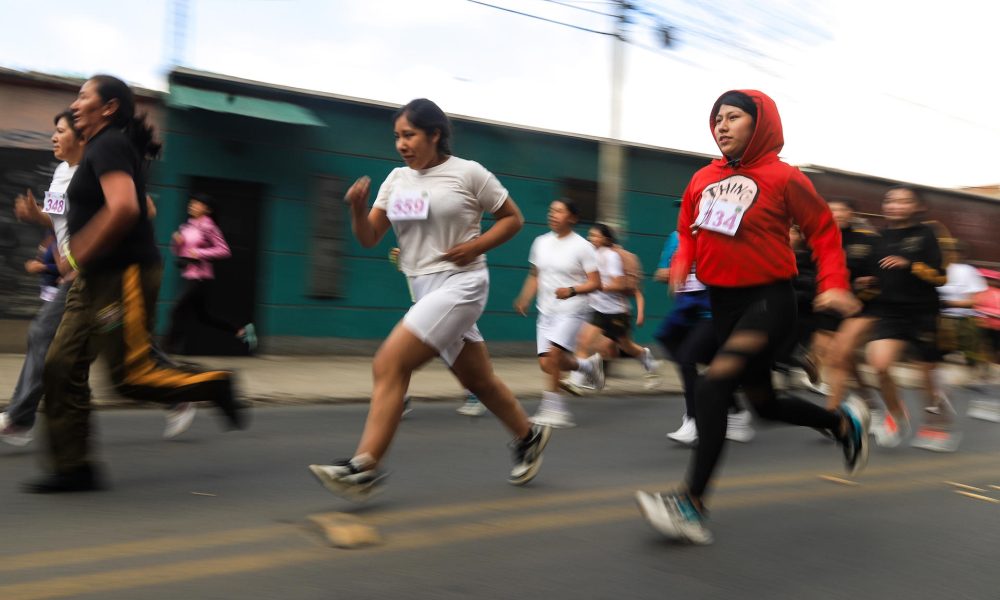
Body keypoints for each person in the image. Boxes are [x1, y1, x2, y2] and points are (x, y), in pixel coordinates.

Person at [635, 90, 869, 545]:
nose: (721, 126)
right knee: (764, 404)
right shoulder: (702, 177)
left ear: (759, 123)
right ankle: (843, 423)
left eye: (733, 117)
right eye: (716, 118)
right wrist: (684, 256)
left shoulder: (784, 177)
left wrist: (835, 282)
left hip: (769, 300)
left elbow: (822, 230)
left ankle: (691, 505)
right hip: (724, 304)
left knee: (713, 385)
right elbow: (688, 226)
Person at [308, 99, 550, 500]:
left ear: (435, 134)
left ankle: (364, 464)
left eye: (410, 135)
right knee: (477, 380)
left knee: (390, 362)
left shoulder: (468, 173)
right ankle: (529, 435)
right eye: (397, 137)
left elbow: (513, 218)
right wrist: (356, 208)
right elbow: (369, 238)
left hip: (462, 284)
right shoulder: (396, 179)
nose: (401, 144)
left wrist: (476, 247)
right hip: (422, 288)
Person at [24, 75, 246, 493]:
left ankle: (213, 384)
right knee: (60, 366)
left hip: (122, 275)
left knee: (130, 376)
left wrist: (80, 251)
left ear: (108, 108)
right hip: (93, 278)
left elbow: (126, 206)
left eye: (83, 96)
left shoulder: (109, 144)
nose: (75, 104)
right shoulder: (98, 149)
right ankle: (74, 468)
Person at [1, 110, 192, 446]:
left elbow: (144, 208)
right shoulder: (61, 172)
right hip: (78, 273)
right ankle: (176, 393)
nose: (54, 137)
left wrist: (93, 251)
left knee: (51, 334)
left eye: (60, 131)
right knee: (95, 340)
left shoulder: (99, 168)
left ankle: (19, 419)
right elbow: (62, 221)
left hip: (103, 270)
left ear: (81, 137)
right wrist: (38, 218)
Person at [862, 188, 956, 451]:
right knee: (879, 365)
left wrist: (909, 264)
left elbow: (941, 276)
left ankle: (938, 425)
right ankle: (896, 414)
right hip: (889, 312)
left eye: (904, 201)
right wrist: (868, 281)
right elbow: (875, 275)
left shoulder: (929, 233)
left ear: (918, 207)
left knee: (926, 375)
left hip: (922, 311)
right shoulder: (878, 238)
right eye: (890, 200)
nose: (895, 205)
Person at [655, 232, 755, 445]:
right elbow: (663, 272)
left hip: (712, 310)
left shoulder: (722, 235)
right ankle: (735, 409)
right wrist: (672, 274)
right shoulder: (675, 236)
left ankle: (695, 420)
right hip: (685, 310)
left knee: (687, 359)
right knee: (668, 341)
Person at [514, 199, 603, 429]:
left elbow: (595, 283)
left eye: (559, 211)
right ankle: (587, 367)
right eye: (551, 210)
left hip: (573, 310)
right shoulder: (540, 242)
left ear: (572, 218)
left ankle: (555, 410)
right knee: (548, 363)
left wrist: (572, 290)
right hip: (547, 310)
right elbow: (535, 274)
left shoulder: (583, 246)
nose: (553, 214)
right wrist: (525, 297)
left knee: (553, 356)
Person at [566, 223, 658, 392]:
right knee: (583, 341)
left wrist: (596, 286)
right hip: (598, 310)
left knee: (626, 346)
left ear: (606, 239)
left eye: (595, 235)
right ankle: (576, 381)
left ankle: (646, 357)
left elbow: (618, 283)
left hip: (616, 312)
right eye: (590, 235)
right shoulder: (592, 255)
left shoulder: (611, 256)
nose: (591, 238)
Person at [165, 192, 256, 354]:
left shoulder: (209, 227)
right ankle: (241, 331)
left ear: (207, 209)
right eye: (191, 203)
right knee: (204, 317)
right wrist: (177, 243)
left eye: (196, 203)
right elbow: (179, 251)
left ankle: (168, 348)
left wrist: (199, 253)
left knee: (177, 309)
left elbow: (224, 250)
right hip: (189, 274)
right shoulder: (187, 226)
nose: (191, 205)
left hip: (200, 277)